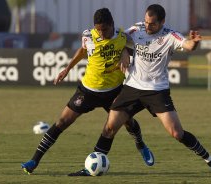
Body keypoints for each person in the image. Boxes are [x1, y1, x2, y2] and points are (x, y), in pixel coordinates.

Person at [70, 4, 211, 178]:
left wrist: (195, 42)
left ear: (162, 22)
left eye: (152, 24)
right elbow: (119, 39)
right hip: (132, 88)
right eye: (146, 22)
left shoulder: (170, 36)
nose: (147, 26)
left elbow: (189, 46)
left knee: (177, 133)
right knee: (110, 128)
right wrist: (125, 51)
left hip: (157, 91)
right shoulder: (137, 29)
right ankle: (91, 167)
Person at [21, 8, 154, 175]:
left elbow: (140, 49)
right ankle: (34, 160)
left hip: (114, 91)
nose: (101, 33)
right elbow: (82, 50)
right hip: (88, 90)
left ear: (112, 25)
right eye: (98, 29)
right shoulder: (89, 36)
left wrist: (126, 52)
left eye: (104, 29)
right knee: (62, 122)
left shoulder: (122, 36)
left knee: (128, 122)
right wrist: (67, 69)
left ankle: (141, 145)